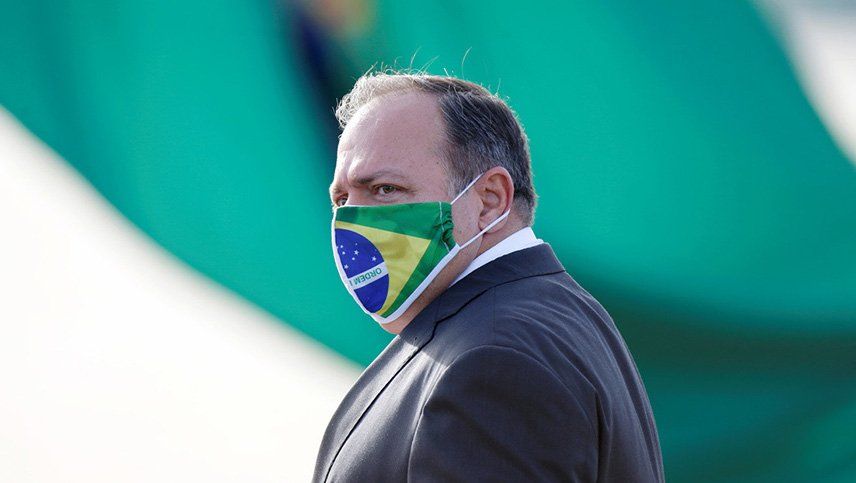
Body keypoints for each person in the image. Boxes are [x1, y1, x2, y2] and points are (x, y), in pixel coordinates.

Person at [313, 71, 664, 482]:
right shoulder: (542, 318)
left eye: (385, 189)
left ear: (490, 200)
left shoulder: (496, 358)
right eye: (342, 199)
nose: (351, 220)